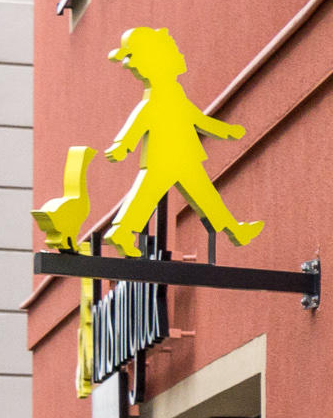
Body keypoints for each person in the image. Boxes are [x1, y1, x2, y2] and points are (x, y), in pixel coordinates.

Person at [99, 26, 260, 254]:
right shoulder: (160, 94)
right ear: (157, 61)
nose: (181, 56)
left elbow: (194, 118)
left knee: (203, 195)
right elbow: (143, 116)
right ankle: (121, 231)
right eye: (174, 52)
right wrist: (123, 143)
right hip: (166, 157)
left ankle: (235, 230)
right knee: (150, 194)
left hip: (180, 156)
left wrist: (225, 130)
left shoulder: (173, 90)